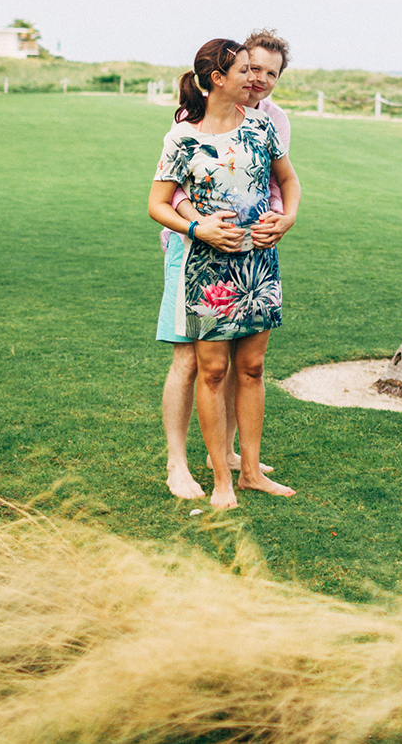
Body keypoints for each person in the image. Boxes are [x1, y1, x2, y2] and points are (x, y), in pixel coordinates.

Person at [148, 38, 300, 509]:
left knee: (251, 368)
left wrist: (287, 217)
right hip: (204, 265)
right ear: (220, 78)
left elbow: (286, 180)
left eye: (265, 73)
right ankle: (213, 477)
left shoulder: (265, 125)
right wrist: (200, 228)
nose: (255, 79)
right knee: (204, 369)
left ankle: (248, 470)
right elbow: (159, 201)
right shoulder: (183, 134)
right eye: (246, 70)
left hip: (257, 264)